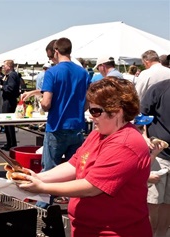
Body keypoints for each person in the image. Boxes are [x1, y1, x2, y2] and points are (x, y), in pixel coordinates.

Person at [18, 77, 152, 237]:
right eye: (90, 109)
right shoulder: (99, 133)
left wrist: (42, 187)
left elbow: (91, 187)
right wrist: (39, 176)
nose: (90, 116)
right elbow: (74, 165)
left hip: (115, 232)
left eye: (96, 111)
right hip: (86, 228)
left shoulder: (125, 143)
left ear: (117, 111)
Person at [21, 37, 90, 209]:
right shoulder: (83, 73)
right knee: (76, 170)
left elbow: (46, 103)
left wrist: (44, 108)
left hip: (57, 126)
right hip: (77, 127)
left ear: (56, 51)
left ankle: (41, 209)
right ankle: (75, 205)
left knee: (50, 172)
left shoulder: (52, 72)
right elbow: (88, 102)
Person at [140, 79, 170, 237]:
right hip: (158, 156)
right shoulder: (160, 88)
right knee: (152, 202)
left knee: (168, 204)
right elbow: (142, 115)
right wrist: (144, 136)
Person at [0, 60, 20, 151]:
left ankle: (11, 143)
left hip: (9, 101)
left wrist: (2, 87)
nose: (3, 67)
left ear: (9, 66)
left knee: (8, 123)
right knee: (8, 123)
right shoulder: (10, 75)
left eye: (4, 66)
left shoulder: (12, 75)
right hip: (8, 100)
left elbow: (11, 88)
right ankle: (10, 142)